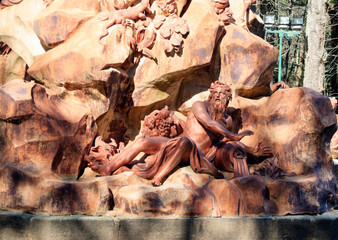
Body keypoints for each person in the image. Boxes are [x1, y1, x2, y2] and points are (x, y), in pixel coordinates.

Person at [87, 81, 271, 185]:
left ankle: (159, 177)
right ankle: (108, 168)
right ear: (210, 94)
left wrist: (251, 150)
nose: (218, 97)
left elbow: (228, 144)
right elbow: (208, 123)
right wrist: (233, 135)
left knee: (185, 143)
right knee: (143, 142)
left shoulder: (227, 121)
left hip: (198, 155)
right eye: (216, 94)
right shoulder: (201, 106)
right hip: (178, 144)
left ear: (227, 99)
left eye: (222, 96)